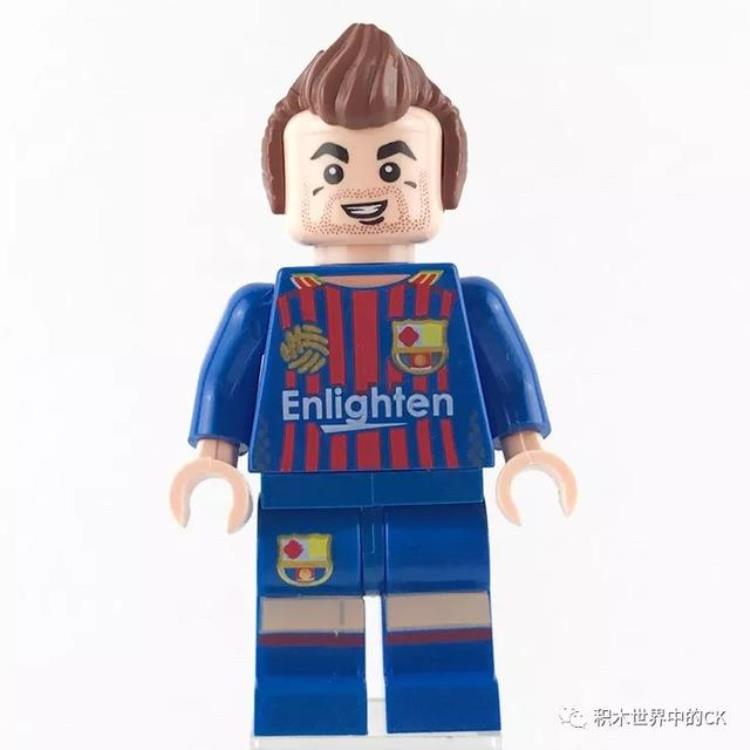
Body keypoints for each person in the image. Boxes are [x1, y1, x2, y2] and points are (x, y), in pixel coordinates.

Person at [170, 22, 576, 737]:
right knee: (304, 635)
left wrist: (527, 452)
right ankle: (310, 713)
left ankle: (446, 717)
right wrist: (214, 462)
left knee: (444, 622)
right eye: (331, 171)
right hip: (304, 494)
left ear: (444, 178)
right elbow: (227, 389)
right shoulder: (265, 309)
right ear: (284, 183)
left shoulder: (467, 303)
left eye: (393, 169)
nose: (362, 190)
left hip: (439, 488)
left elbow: (507, 381)